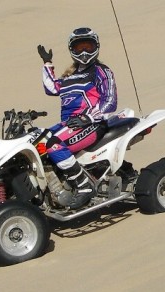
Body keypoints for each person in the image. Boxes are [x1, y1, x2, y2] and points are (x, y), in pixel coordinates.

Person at [37, 27, 118, 208]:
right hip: (69, 125)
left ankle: (84, 186)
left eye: (88, 47)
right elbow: (52, 88)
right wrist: (47, 63)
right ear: (71, 49)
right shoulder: (71, 75)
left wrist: (89, 117)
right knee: (37, 141)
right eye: (78, 47)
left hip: (93, 124)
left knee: (54, 146)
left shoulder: (101, 71)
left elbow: (110, 101)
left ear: (96, 47)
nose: (83, 52)